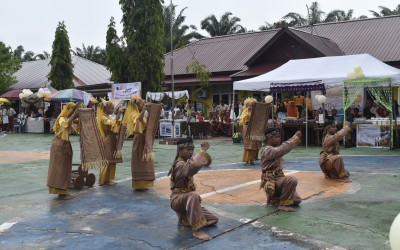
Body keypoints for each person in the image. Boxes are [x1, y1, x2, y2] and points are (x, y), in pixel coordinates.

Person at [168, 138, 218, 240]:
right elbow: (192, 167)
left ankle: (185, 218)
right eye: (188, 149)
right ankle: (197, 231)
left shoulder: (186, 162)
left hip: (185, 200)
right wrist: (203, 150)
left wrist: (203, 156)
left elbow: (199, 163)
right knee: (193, 195)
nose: (191, 152)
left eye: (192, 149)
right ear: (180, 150)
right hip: (177, 200)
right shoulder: (179, 164)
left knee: (213, 219)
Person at [260, 128, 302, 212]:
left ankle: (276, 199)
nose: (279, 139)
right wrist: (294, 139)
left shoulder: (273, 148)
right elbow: (282, 149)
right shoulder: (267, 150)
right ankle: (283, 205)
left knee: (297, 200)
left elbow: (281, 149)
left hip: (278, 178)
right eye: (276, 137)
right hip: (272, 179)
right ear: (269, 138)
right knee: (291, 180)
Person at [47, 102, 79, 200]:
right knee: (60, 169)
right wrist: (74, 116)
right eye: (72, 111)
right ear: (69, 110)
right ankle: (62, 193)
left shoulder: (65, 118)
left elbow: (72, 129)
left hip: (64, 145)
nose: (73, 113)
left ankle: (64, 191)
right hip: (60, 146)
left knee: (64, 169)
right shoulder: (61, 118)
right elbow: (65, 125)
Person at [122, 96, 154, 190]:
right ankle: (139, 184)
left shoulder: (141, 113)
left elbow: (147, 121)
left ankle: (146, 183)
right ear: (137, 105)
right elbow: (138, 120)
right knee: (139, 160)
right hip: (139, 139)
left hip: (144, 139)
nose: (144, 105)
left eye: (144, 104)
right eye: (142, 104)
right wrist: (144, 110)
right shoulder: (133, 114)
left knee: (145, 161)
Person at [96, 99, 124, 186]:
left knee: (112, 161)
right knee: (106, 160)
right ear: (106, 108)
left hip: (112, 139)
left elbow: (115, 123)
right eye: (111, 108)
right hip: (107, 139)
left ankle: (109, 179)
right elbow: (111, 123)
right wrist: (118, 114)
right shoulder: (103, 117)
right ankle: (103, 180)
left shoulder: (108, 116)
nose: (113, 109)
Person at [239, 97, 258, 165]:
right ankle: (247, 160)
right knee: (247, 144)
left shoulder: (255, 112)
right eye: (250, 104)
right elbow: (243, 121)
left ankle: (251, 159)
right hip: (246, 128)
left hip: (253, 128)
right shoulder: (245, 112)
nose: (251, 106)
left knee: (252, 144)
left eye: (252, 105)